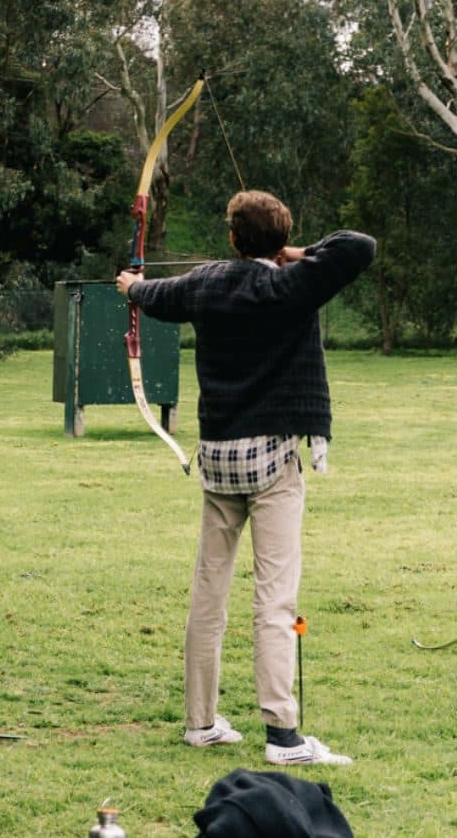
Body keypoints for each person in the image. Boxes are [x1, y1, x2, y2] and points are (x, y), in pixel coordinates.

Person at [118, 190, 374, 767]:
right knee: (275, 600)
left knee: (209, 593)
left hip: (218, 459)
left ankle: (201, 722)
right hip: (272, 461)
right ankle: (283, 737)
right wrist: (295, 254)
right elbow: (359, 247)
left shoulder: (207, 282)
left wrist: (130, 286)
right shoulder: (290, 284)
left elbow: (153, 294)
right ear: (278, 241)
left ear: (233, 239)